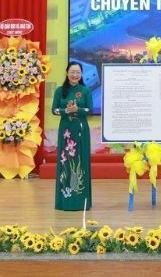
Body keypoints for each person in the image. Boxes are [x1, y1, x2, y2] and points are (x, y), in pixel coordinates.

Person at [51, 61, 92, 211]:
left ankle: (81, 200)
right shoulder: (60, 91)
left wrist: (78, 109)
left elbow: (89, 109)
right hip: (66, 130)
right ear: (67, 73)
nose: (75, 75)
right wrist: (65, 111)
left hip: (80, 130)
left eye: (78, 72)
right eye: (72, 72)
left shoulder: (85, 90)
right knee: (65, 161)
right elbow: (54, 110)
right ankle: (64, 200)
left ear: (81, 75)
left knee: (80, 160)